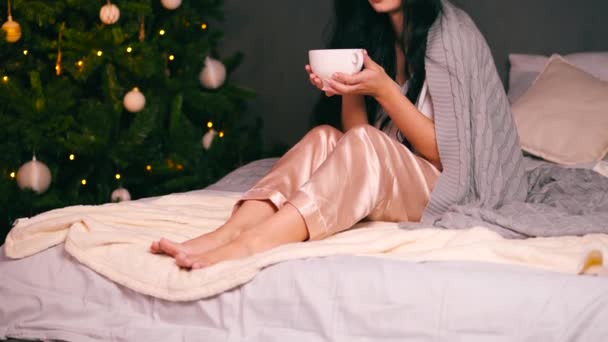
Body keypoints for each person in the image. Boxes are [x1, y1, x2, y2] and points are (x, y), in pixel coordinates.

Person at [149, 0, 479, 269]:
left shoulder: (451, 33)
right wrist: (347, 87)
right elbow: (357, 143)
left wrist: (385, 91)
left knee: (368, 142)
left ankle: (256, 242)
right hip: (392, 175)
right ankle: (228, 232)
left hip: (441, 186)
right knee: (323, 136)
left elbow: (444, 155)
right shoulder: (377, 34)